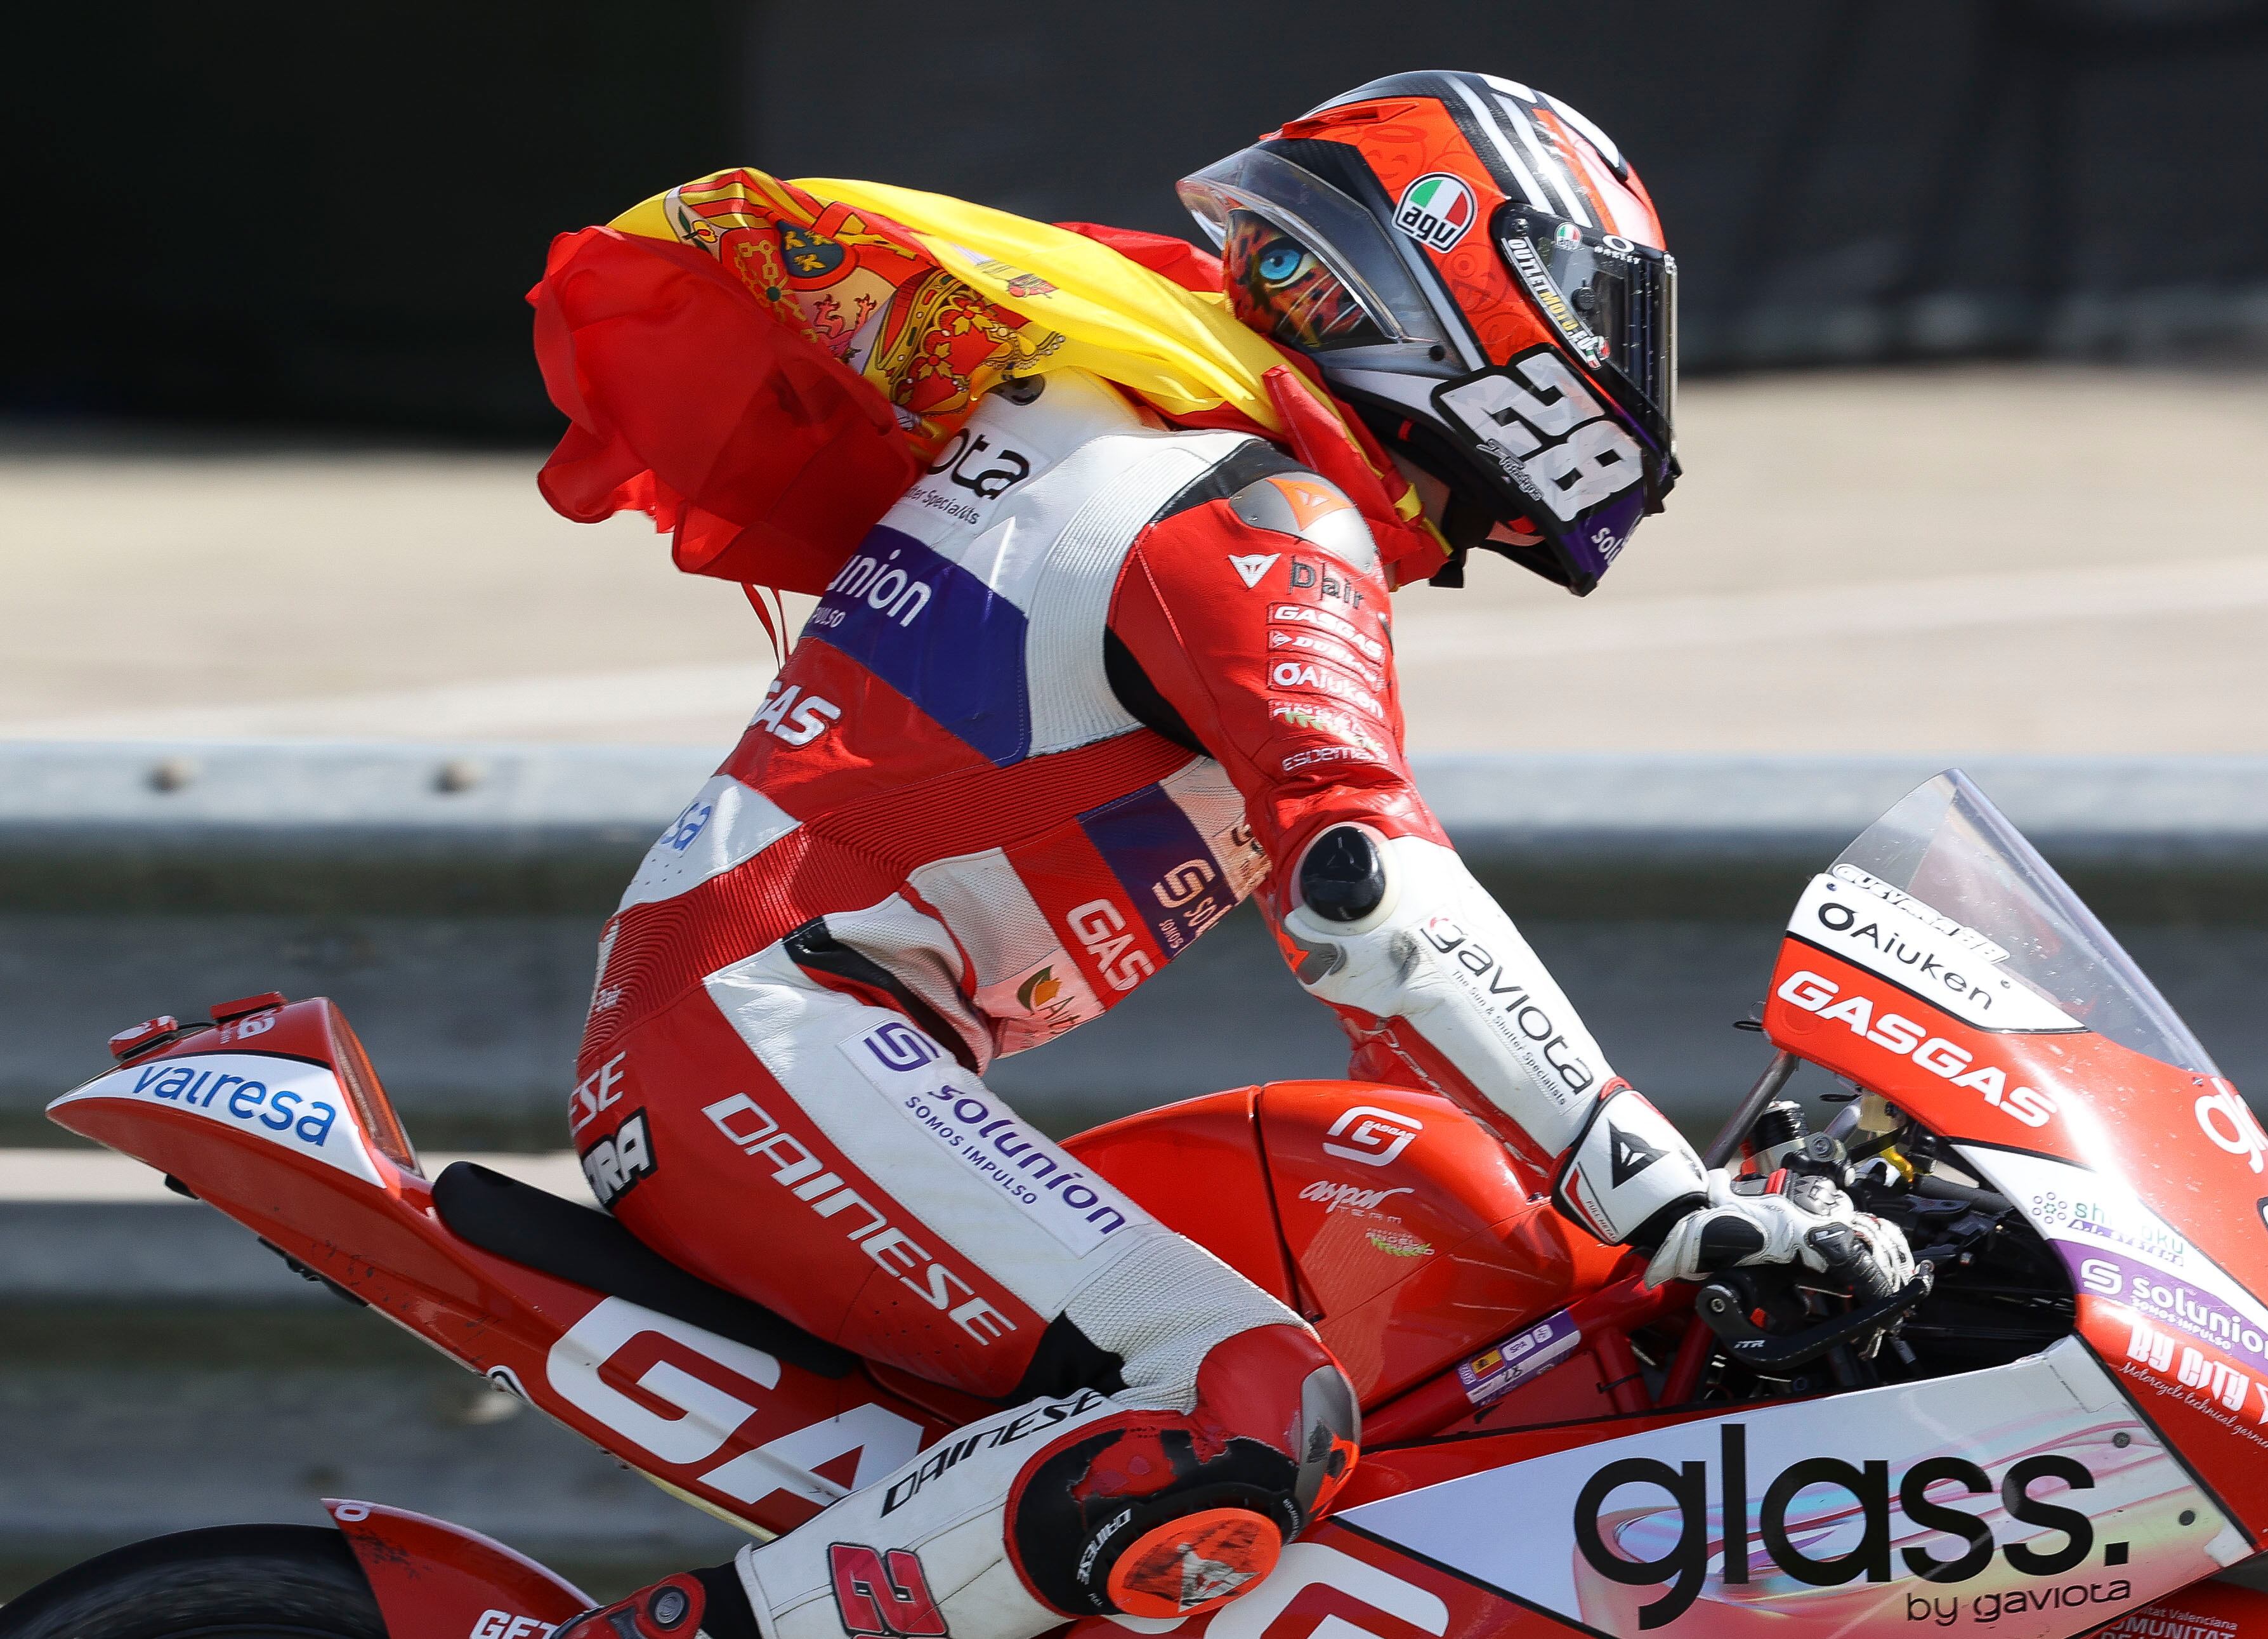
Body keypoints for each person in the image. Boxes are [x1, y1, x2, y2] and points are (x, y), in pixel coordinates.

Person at [539, 70, 1912, 1639]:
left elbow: (1370, 973)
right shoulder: (1250, 507)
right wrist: (1667, 1198)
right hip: (773, 1038)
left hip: (770, 1031)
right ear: (1466, 276)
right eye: (1598, 310)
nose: (1620, 365)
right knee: (1244, 1385)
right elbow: (1368, 898)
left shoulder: (1151, 430)